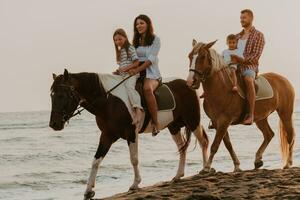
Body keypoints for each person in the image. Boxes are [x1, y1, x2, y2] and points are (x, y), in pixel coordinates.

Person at [128, 14, 161, 136]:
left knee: (147, 89)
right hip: (137, 73)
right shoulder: (135, 42)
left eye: (141, 23)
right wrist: (123, 70)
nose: (139, 26)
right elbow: (133, 60)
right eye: (137, 24)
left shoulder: (155, 40)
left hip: (151, 73)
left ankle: (155, 123)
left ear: (148, 24)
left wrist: (137, 70)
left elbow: (150, 60)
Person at [231, 9, 265, 125]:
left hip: (250, 66)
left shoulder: (258, 36)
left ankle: (250, 114)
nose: (241, 20)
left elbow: (255, 56)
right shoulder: (236, 36)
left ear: (251, 18)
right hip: (235, 66)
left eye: (244, 18)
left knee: (248, 80)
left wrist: (241, 60)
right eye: (241, 18)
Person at [112, 28, 143, 125]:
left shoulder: (130, 48)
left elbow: (136, 62)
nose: (118, 42)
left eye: (120, 39)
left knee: (129, 88)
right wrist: (118, 71)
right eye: (115, 40)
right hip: (123, 75)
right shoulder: (121, 51)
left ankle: (138, 109)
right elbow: (123, 65)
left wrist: (125, 69)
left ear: (125, 37)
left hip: (131, 75)